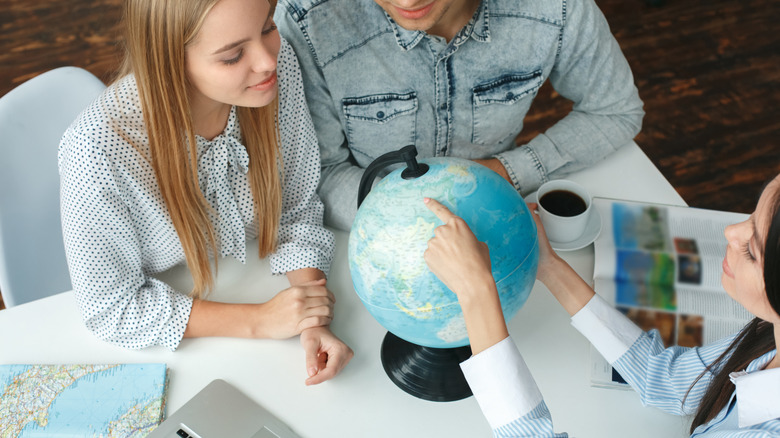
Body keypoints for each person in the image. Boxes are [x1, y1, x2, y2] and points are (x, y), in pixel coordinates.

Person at [58, 0, 352, 385]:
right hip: (172, 351)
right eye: (232, 56)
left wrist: (310, 315)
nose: (267, 61)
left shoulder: (275, 72)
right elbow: (111, 309)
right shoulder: (96, 149)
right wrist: (259, 320)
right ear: (170, 63)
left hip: (248, 280)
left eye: (266, 28)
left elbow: (295, 208)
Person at [421, 173, 780, 436]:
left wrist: (476, 292)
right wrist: (549, 267)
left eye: (753, 248)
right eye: (750, 218)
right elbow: (666, 380)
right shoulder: (769, 337)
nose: (731, 233)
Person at [275, 0, 645, 230]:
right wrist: (408, 223)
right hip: (372, 236)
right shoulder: (307, 19)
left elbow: (615, 110)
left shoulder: (557, 6)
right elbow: (315, 172)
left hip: (504, 216)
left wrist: (506, 171)